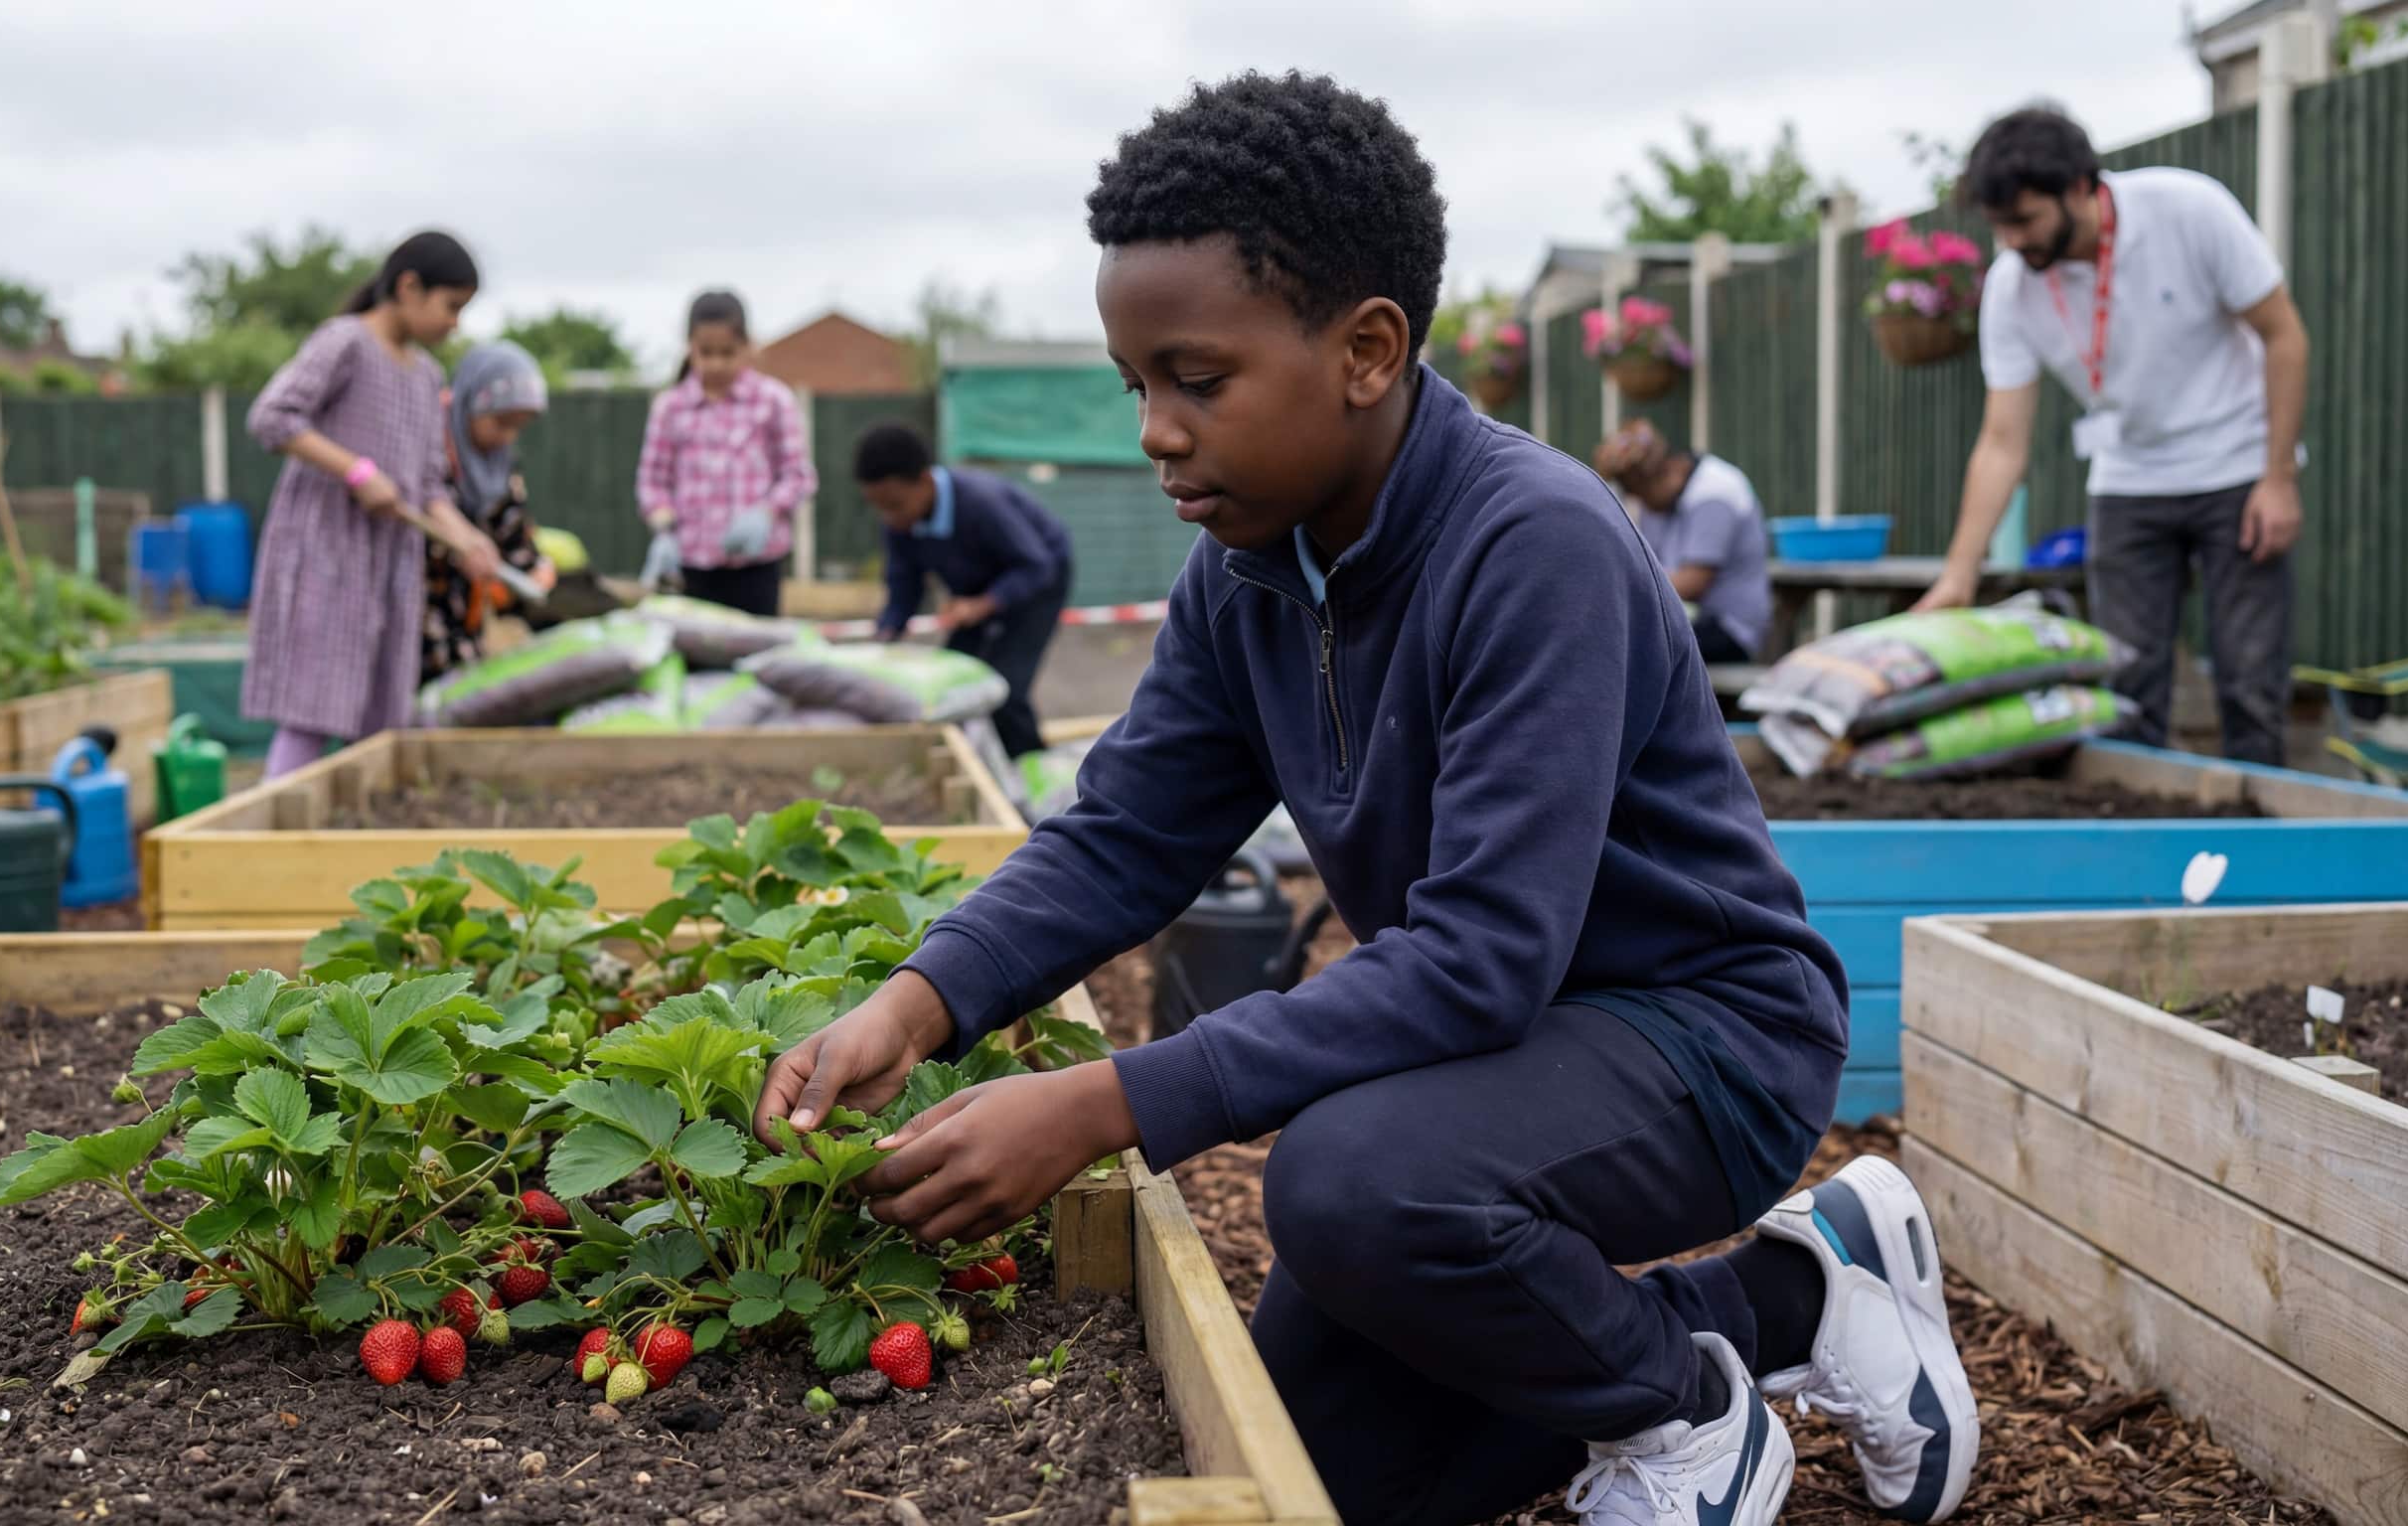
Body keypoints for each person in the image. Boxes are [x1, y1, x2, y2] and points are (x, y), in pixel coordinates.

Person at [758, 72, 1976, 1526]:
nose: (1154, 429)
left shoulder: (1535, 547)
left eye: (1195, 380)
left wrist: (1102, 1105)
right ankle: (1799, 1294)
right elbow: (1127, 833)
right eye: (1134, 384)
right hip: (1496, 1062)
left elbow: (1478, 959)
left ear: (1366, 350)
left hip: (1699, 1034)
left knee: (1349, 1186)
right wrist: (921, 996)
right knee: (1326, 1477)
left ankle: (1689, 1414)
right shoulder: (1246, 576)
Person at [1913, 105, 2309, 765]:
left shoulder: (2188, 210)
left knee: (2250, 682)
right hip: (2129, 481)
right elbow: (2003, 440)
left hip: (2238, 471)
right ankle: (2138, 850)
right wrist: (1960, 574)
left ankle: (2255, 849)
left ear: (2079, 188)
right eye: (1998, 226)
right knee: (2125, 689)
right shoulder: (2013, 289)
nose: (2010, 242)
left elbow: (2284, 335)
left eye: (2023, 221)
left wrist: (2278, 479)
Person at [243, 231, 501, 780]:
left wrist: (467, 540)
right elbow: (274, 416)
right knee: (312, 707)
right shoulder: (345, 343)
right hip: (326, 554)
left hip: (390, 564)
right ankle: (274, 838)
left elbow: (429, 486)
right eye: (450, 306)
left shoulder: (427, 376)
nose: (455, 322)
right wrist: (357, 472)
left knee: (378, 717)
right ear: (409, 287)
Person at [855, 422, 1076, 758]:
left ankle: (1030, 765)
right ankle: (977, 759)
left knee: (1003, 687)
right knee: (958, 676)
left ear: (925, 482)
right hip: (977, 590)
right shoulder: (900, 525)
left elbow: (1035, 565)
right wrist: (886, 635)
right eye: (878, 507)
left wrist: (984, 604)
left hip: (1037, 578)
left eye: (895, 504)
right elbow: (904, 584)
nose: (889, 517)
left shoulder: (981, 504)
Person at [633, 290, 818, 616]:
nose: (716, 363)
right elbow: (652, 482)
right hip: (690, 568)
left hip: (756, 569)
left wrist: (766, 513)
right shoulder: (670, 408)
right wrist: (664, 532)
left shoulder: (773, 401)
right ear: (690, 347)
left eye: (727, 352)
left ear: (747, 346)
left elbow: (798, 475)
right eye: (706, 353)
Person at [420, 340, 557, 686]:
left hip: (465, 616)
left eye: (518, 427)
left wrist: (533, 569)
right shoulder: (428, 448)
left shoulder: (499, 467)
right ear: (471, 404)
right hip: (418, 608)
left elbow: (510, 527)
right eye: (501, 422)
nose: (507, 436)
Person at [1593, 419, 1773, 665]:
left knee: (1618, 644)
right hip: (1690, 620)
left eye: (1641, 494)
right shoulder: (1662, 497)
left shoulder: (1715, 493)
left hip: (1729, 630)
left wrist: (1617, 596)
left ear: (1668, 471)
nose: (1640, 503)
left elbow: (1692, 583)